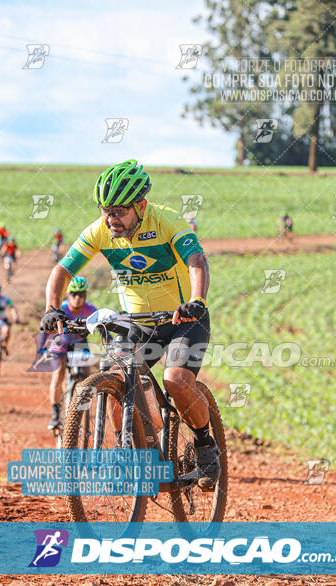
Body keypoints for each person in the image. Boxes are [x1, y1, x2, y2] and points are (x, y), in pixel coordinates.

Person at [39, 159, 220, 489]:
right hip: (138, 323)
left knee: (176, 380)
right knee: (119, 377)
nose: (111, 219)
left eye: (119, 211)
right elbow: (61, 271)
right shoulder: (101, 231)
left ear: (141, 205)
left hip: (182, 319)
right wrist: (53, 308)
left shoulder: (166, 221)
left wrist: (197, 301)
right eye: (106, 210)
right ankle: (139, 455)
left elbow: (197, 260)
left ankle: (206, 445)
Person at [45, 276, 97, 430]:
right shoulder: (62, 308)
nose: (78, 297)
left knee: (87, 375)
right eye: (74, 294)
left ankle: (82, 410)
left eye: (81, 294)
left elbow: (103, 326)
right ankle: (55, 415)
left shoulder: (90, 309)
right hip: (61, 343)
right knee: (59, 372)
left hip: (79, 343)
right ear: (68, 295)